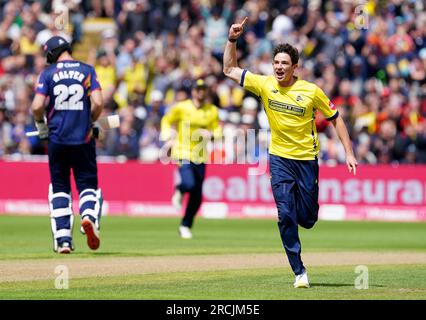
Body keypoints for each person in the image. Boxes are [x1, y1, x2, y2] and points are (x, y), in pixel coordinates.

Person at [223, 18, 358, 288]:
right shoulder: (264, 84)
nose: (279, 67)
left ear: (295, 67)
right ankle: (299, 272)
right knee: (285, 215)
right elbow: (229, 69)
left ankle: (302, 215)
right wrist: (232, 39)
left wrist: (349, 152)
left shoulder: (311, 92)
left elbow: (336, 118)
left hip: (307, 160)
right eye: (276, 63)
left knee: (307, 219)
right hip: (279, 159)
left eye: (285, 63)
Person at [31, 36, 104, 254]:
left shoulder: (48, 73)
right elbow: (99, 102)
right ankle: (89, 215)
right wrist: (90, 121)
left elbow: (36, 106)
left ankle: (63, 240)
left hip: (57, 139)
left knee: (60, 187)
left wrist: (41, 126)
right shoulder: (87, 70)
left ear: (52, 53)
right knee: (88, 185)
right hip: (83, 138)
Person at [160, 79, 222, 239]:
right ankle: (179, 190)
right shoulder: (182, 107)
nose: (200, 92)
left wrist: (211, 135)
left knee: (197, 196)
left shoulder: (212, 110)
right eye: (198, 89)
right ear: (193, 91)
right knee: (189, 183)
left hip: (200, 155)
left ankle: (185, 225)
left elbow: (217, 130)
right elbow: (166, 119)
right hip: (182, 151)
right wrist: (167, 134)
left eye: (203, 89)